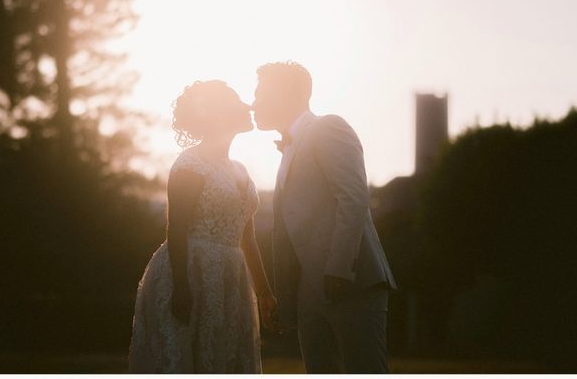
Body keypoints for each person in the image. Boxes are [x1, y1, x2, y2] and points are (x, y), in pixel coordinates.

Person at [252, 61, 398, 373]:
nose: (254, 102)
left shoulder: (328, 127)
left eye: (261, 93)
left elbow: (354, 197)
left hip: (351, 282)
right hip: (307, 291)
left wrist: (339, 270)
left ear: (286, 94)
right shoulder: (287, 148)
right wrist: (287, 295)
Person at [129, 80, 278, 373]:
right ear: (219, 113)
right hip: (193, 273)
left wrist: (264, 292)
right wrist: (183, 287)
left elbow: (247, 237)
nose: (247, 106)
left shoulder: (239, 170)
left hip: (231, 277)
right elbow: (177, 229)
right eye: (237, 102)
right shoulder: (190, 164)